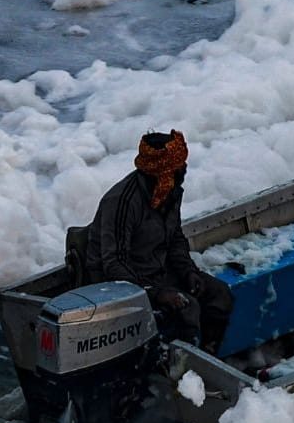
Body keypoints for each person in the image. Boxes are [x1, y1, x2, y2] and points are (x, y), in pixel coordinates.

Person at [85, 129, 233, 355]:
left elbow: (174, 239)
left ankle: (209, 360)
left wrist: (188, 272)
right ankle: (179, 377)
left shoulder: (170, 193)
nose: (184, 170)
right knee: (187, 308)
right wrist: (156, 293)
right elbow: (114, 264)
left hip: (159, 271)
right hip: (121, 285)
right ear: (162, 172)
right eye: (178, 167)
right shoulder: (122, 202)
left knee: (219, 295)